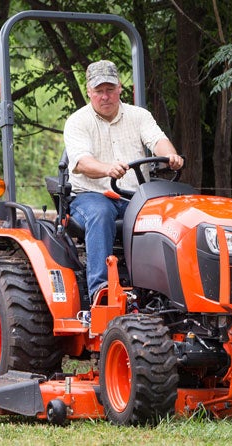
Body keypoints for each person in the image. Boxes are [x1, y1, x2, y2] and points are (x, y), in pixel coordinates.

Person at [64, 60, 183, 300]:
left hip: (135, 197)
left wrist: (170, 154)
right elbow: (81, 162)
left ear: (120, 88)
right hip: (91, 196)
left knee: (169, 216)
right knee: (101, 213)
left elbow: (157, 140)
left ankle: (161, 290)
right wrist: (107, 169)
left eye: (109, 89)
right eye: (99, 91)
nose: (105, 96)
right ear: (89, 92)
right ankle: (100, 291)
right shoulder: (78, 121)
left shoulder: (139, 116)